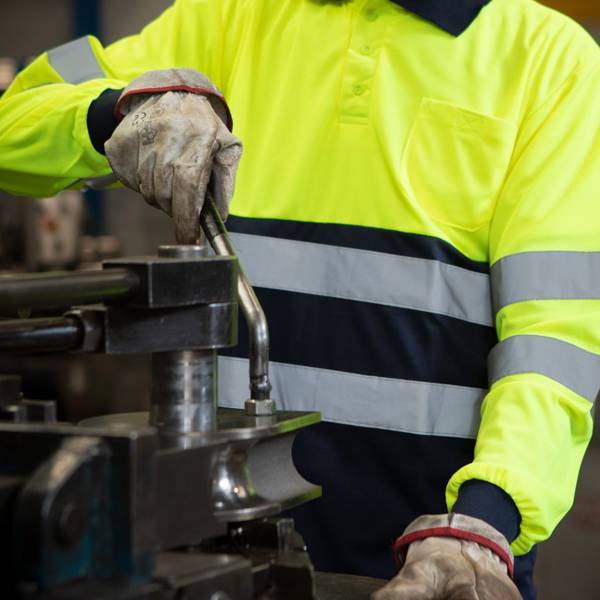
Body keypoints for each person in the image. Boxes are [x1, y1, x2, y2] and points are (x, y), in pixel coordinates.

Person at [1, 1, 599, 598]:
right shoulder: (235, 19)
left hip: (439, 563)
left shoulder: (551, 62)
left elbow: (553, 346)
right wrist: (114, 113)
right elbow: (15, 116)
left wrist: (482, 522)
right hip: (226, 552)